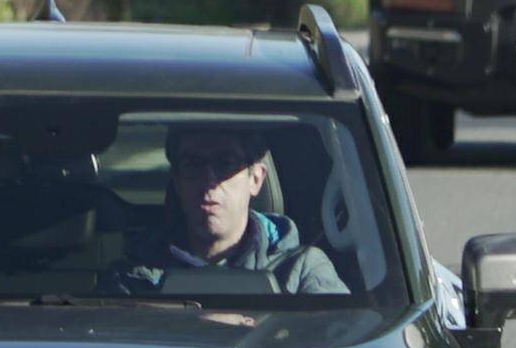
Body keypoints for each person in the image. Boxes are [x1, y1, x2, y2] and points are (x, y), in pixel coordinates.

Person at [110, 123, 347, 296]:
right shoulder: (135, 278)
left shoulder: (301, 270)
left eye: (225, 164)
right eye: (193, 165)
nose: (209, 180)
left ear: (255, 179)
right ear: (176, 181)